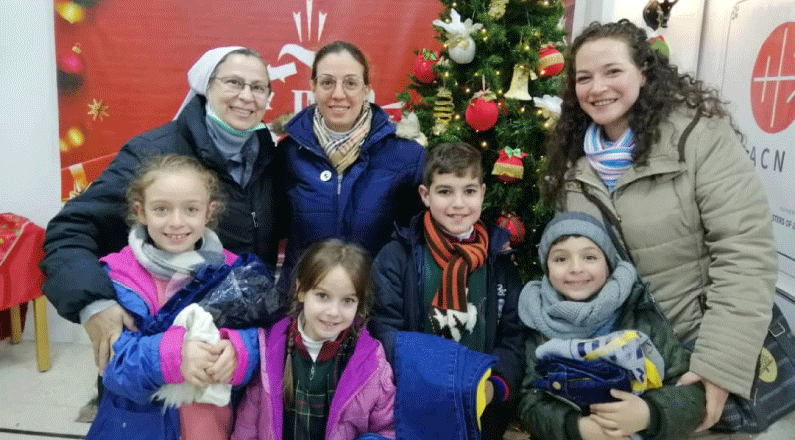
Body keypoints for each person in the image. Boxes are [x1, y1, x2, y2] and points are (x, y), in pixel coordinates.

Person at [541, 19, 777, 437]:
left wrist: (717, 367)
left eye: (613, 71)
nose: (597, 88)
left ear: (644, 72)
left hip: (695, 353)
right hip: (624, 362)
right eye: (584, 77)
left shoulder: (697, 136)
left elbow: (746, 253)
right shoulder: (572, 160)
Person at [41, 46, 284, 376]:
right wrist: (93, 304)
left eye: (258, 87)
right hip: (160, 352)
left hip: (236, 348)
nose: (246, 96)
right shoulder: (153, 154)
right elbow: (71, 230)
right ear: (205, 86)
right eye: (233, 83)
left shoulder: (270, 159)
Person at [84, 154, 260, 440]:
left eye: (191, 209)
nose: (176, 222)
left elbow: (260, 335)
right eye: (161, 209)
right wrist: (175, 357)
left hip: (212, 426)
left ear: (209, 212)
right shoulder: (117, 275)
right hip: (137, 428)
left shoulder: (234, 271)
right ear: (141, 211)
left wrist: (239, 352)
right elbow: (114, 365)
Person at [370, 142, 524, 439]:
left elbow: (512, 338)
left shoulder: (500, 262)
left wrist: (494, 386)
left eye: (469, 191)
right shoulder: (397, 257)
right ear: (425, 195)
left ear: (483, 193)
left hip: (480, 408)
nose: (458, 204)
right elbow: (384, 329)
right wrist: (432, 376)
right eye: (445, 191)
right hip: (414, 403)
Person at [517, 211, 706, 440]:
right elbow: (529, 400)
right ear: (547, 268)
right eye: (560, 259)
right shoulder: (538, 323)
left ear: (608, 264)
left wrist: (649, 414)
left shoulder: (638, 313)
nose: (576, 268)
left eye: (589, 257)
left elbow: (690, 392)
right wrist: (577, 428)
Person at [278, 40, 425, 289]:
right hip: (304, 301)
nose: (338, 94)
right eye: (327, 82)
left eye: (351, 83)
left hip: (375, 301)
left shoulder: (407, 156)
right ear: (313, 86)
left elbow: (422, 238)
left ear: (366, 89)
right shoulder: (288, 153)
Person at [232, 239, 396, 440]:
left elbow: (386, 429)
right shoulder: (271, 348)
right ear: (301, 291)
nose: (333, 312)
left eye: (347, 300)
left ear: (359, 304)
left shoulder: (372, 363)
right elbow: (248, 423)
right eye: (323, 296)